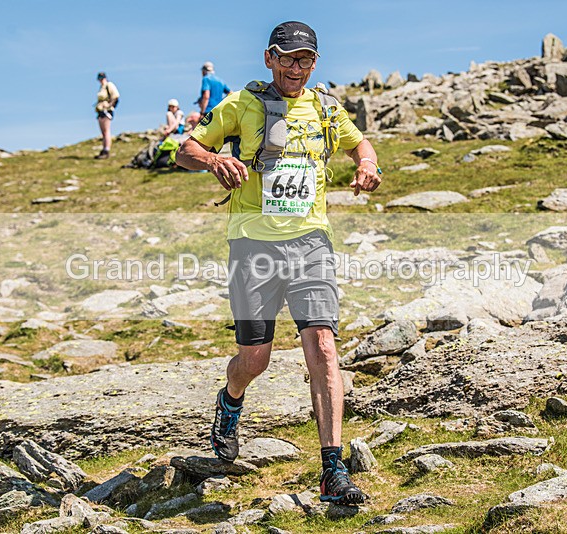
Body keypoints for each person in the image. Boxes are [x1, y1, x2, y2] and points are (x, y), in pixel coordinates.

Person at [176, 21, 382, 506]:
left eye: (305, 59)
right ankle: (230, 402)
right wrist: (212, 161)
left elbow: (361, 144)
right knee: (256, 359)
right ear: (269, 58)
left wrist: (367, 166)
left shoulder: (327, 107)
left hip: (312, 243)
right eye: (287, 58)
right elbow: (185, 149)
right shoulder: (241, 104)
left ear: (315, 62)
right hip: (253, 245)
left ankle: (332, 470)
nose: (296, 67)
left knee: (325, 350)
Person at [95, 72, 120, 159]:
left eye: (102, 78)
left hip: (107, 111)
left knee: (106, 131)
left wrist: (109, 105)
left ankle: (106, 150)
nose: (101, 80)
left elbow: (116, 96)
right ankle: (104, 149)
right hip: (100, 111)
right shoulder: (101, 88)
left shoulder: (109, 85)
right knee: (103, 132)